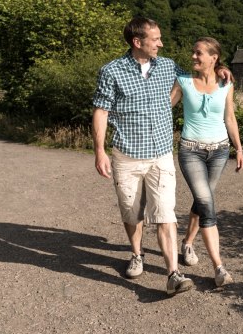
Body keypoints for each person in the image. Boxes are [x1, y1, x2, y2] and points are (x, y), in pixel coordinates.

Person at [92, 17, 231, 296]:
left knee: (165, 213)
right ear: (138, 42)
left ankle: (173, 274)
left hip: (161, 153)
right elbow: (101, 111)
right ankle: (136, 253)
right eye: (155, 39)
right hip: (127, 154)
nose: (161, 43)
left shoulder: (168, 66)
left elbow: (198, 76)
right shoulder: (112, 71)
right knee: (132, 211)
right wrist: (99, 151)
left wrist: (222, 68)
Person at [170, 36, 243, 288]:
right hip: (191, 150)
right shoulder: (183, 82)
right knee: (206, 203)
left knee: (203, 200)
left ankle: (188, 243)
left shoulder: (226, 84)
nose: (193, 56)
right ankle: (219, 267)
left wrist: (239, 148)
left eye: (198, 53)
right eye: (193, 52)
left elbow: (230, 118)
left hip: (220, 151)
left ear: (213, 58)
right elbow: (163, 107)